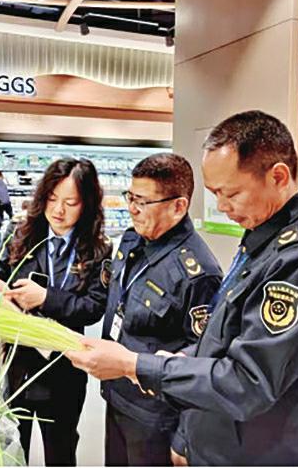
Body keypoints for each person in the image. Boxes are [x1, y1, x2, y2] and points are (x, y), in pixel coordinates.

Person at [66, 111, 298, 466]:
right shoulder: (264, 239)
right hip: (220, 445)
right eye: (215, 194)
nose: (221, 207)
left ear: (278, 176)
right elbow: (228, 337)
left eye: (230, 193)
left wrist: (136, 365)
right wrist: (185, 362)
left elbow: (249, 381)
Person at [99, 153, 223, 466]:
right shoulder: (133, 240)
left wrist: (184, 436)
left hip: (155, 417)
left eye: (142, 201)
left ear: (178, 206)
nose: (132, 208)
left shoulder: (198, 272)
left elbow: (203, 358)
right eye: (130, 197)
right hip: (116, 394)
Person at [0, 158, 111, 467]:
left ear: (87, 205)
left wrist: (46, 298)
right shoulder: (20, 236)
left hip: (64, 368)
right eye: (52, 199)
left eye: (71, 203)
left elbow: (94, 307)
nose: (58, 210)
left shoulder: (98, 250)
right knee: (13, 449)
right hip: (18, 364)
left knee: (61, 450)